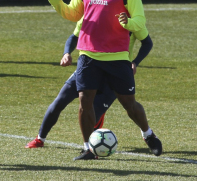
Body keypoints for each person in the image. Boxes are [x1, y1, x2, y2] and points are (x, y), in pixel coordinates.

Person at [46, 0, 162, 160]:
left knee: (129, 104)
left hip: (117, 58)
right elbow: (73, 13)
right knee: (84, 101)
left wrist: (128, 23)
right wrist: (56, 2)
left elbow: (140, 20)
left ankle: (148, 135)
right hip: (88, 56)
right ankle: (89, 148)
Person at [25, 19, 153, 160]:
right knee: (59, 101)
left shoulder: (131, 21)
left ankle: (92, 149)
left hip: (113, 74)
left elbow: (147, 42)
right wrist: (66, 53)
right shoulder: (91, 16)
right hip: (88, 69)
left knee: (94, 115)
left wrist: (135, 62)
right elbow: (74, 37)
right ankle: (40, 139)